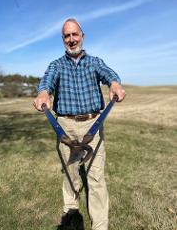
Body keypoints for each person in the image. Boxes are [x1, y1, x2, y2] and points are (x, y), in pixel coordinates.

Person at [33, 18, 126, 230]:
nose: (72, 39)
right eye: (67, 35)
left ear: (82, 36)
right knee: (70, 173)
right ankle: (71, 210)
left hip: (93, 125)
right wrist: (44, 93)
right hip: (65, 127)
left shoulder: (94, 62)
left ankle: (100, 226)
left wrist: (114, 84)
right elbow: (46, 81)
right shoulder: (56, 65)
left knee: (95, 178)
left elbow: (109, 74)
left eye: (75, 34)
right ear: (63, 39)